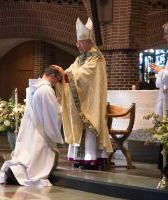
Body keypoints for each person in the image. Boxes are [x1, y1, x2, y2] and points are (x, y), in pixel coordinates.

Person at [54, 17, 113, 170]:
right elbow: (72, 69)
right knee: (78, 125)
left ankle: (92, 159)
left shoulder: (96, 58)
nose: (77, 45)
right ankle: (80, 158)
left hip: (90, 101)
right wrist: (62, 74)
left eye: (80, 42)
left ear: (88, 42)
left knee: (89, 125)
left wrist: (68, 75)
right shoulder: (80, 58)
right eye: (77, 42)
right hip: (79, 99)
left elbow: (85, 75)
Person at [0, 65, 64, 187]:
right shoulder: (46, 90)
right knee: (37, 158)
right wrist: (62, 108)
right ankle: (19, 174)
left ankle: (15, 171)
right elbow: (53, 113)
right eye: (57, 80)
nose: (56, 83)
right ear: (52, 76)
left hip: (32, 127)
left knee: (29, 153)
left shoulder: (34, 88)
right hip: (41, 130)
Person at [150, 18, 168, 171]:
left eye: (167, 33)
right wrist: (163, 71)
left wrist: (161, 72)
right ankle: (167, 169)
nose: (164, 37)